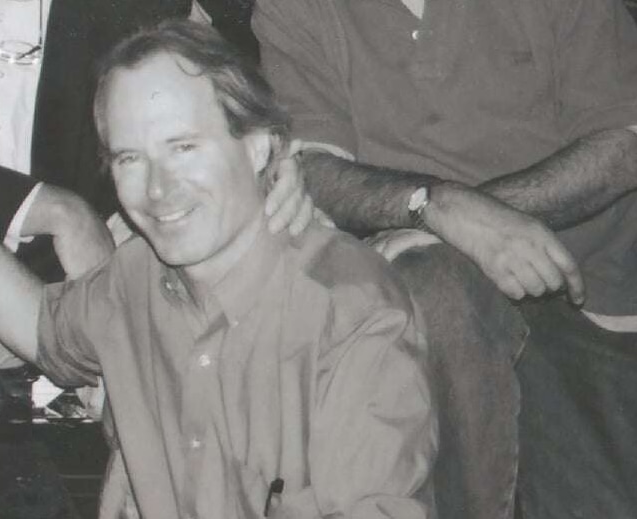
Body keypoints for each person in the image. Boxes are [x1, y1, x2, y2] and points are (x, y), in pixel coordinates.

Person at [0, 20, 438, 518]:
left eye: (184, 147)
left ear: (260, 148)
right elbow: (41, 324)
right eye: (131, 159)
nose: (159, 190)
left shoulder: (352, 316)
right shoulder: (135, 277)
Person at [253, 0, 637, 518]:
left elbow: (621, 146)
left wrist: (462, 221)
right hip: (426, 295)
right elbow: (314, 172)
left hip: (580, 290)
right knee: (431, 293)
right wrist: (436, 208)